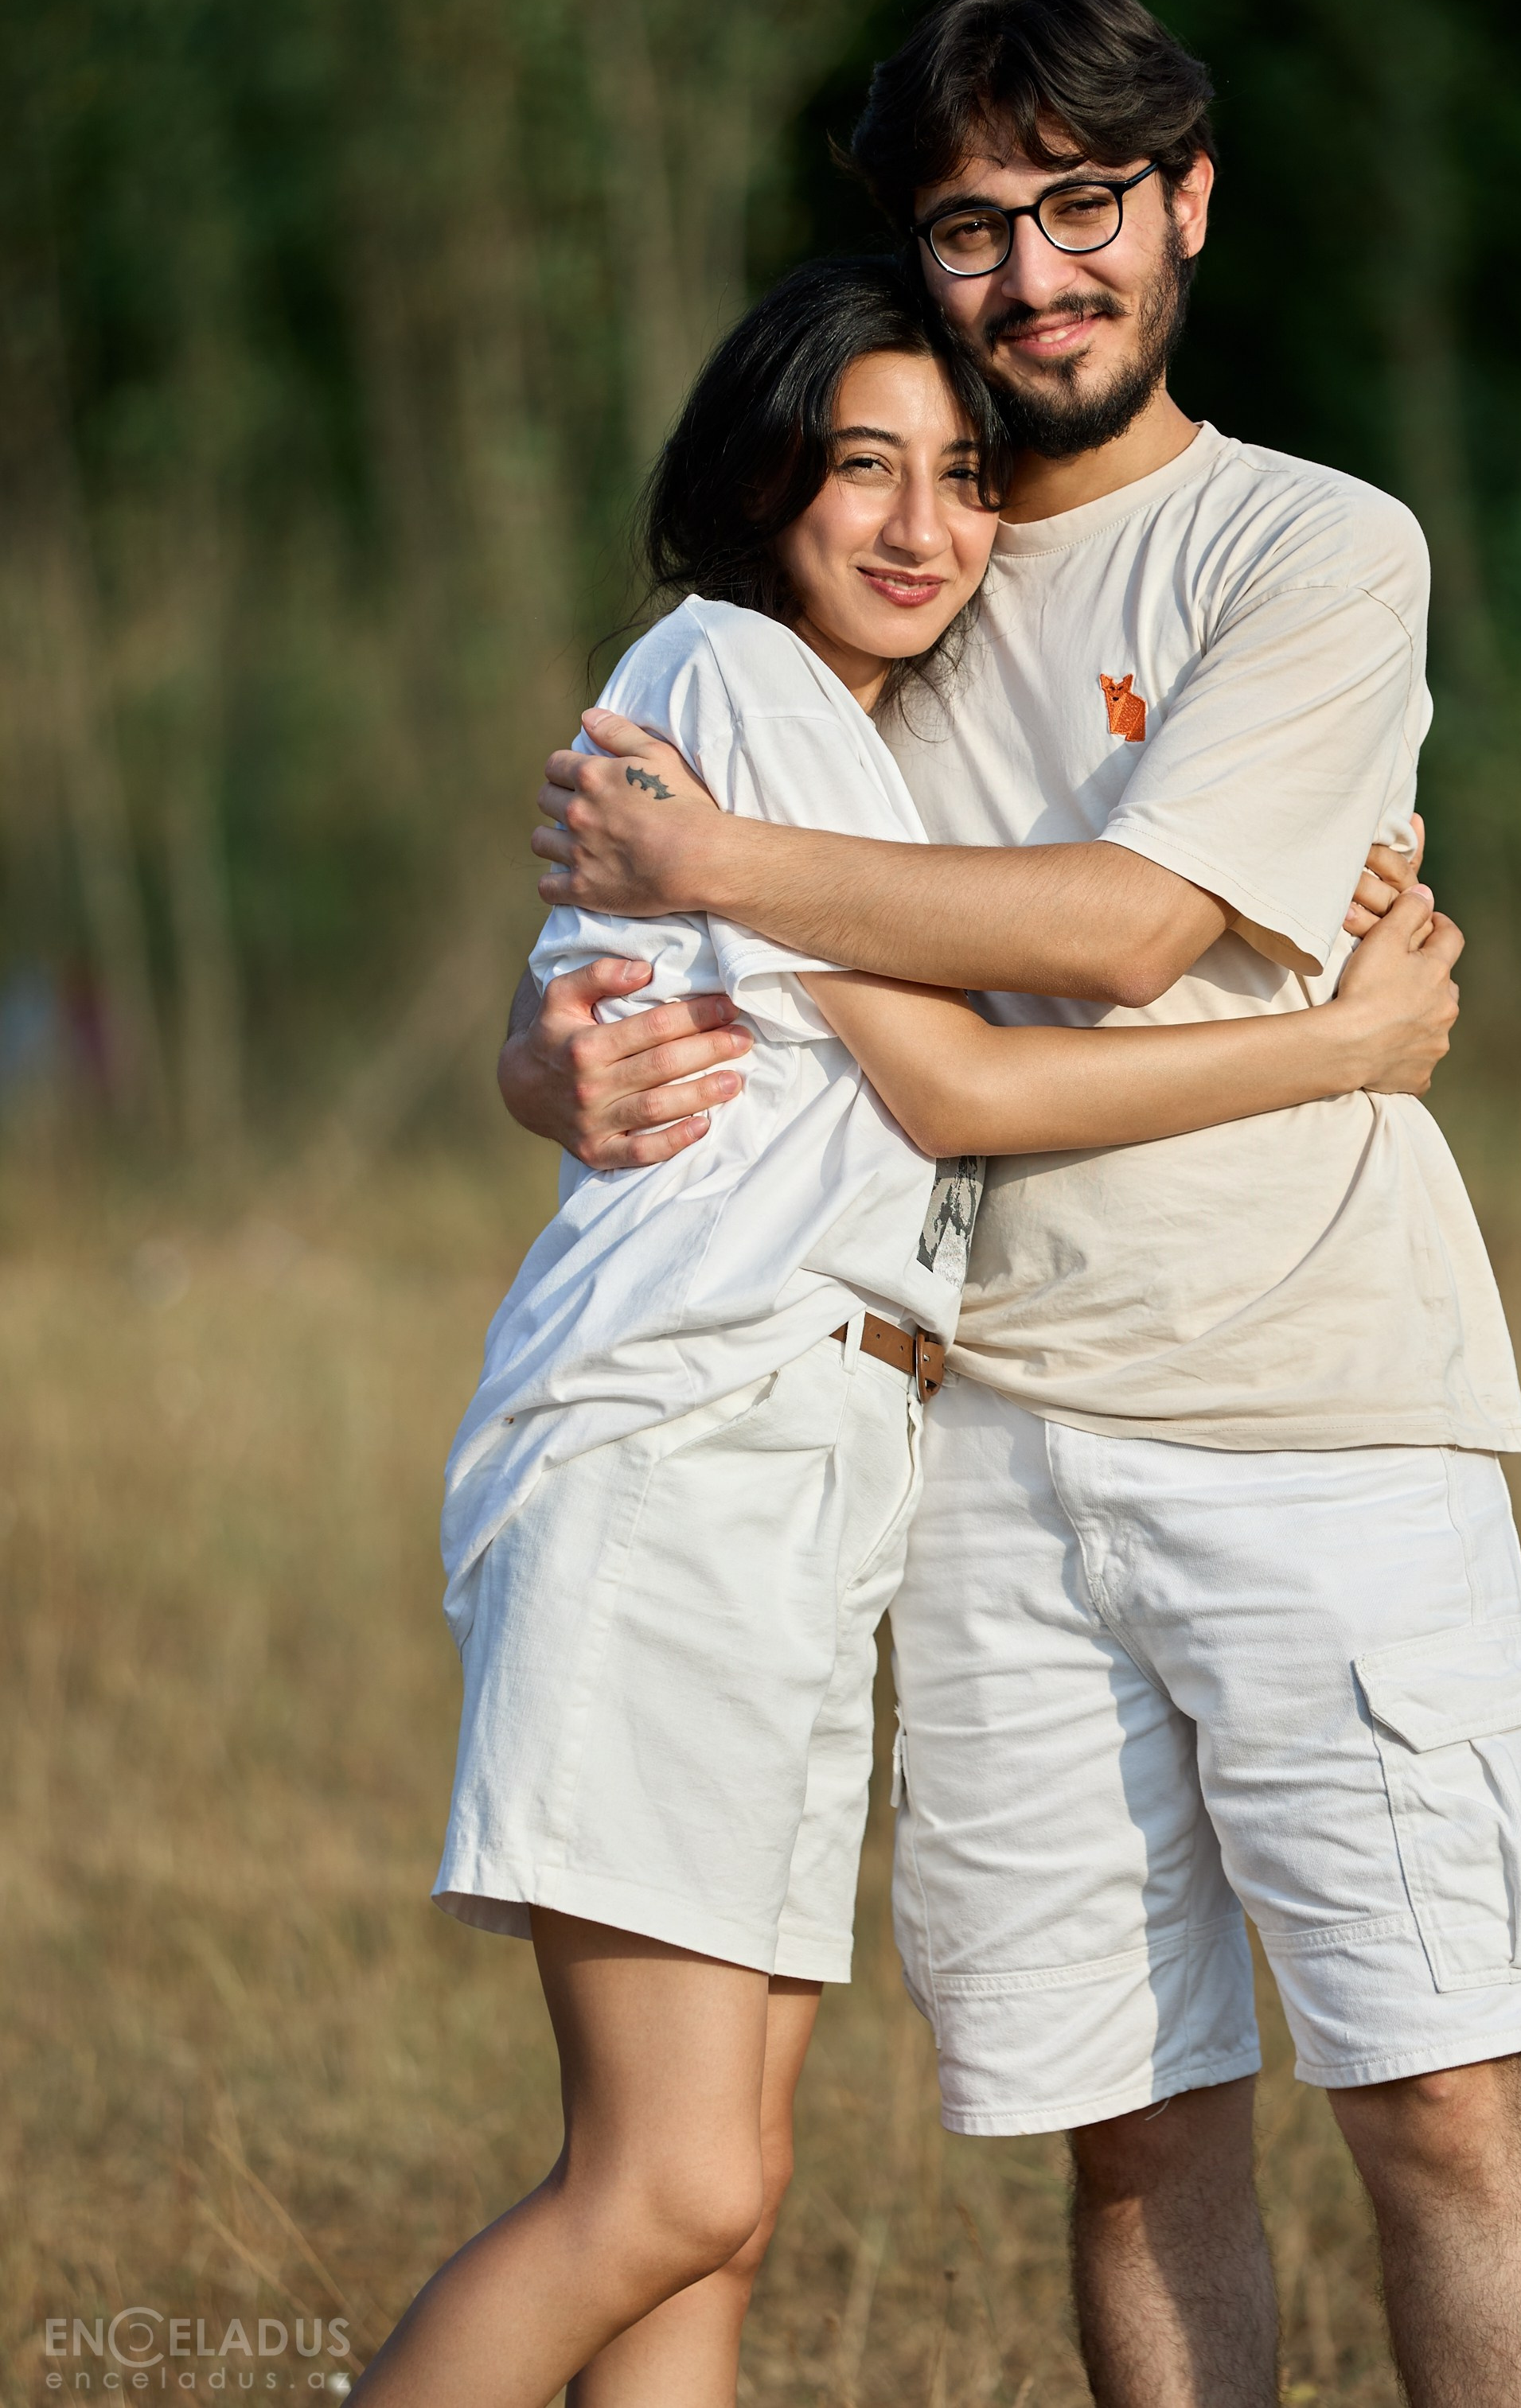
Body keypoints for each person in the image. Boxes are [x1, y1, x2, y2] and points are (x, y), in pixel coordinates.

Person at [501, 0, 1521, 2408]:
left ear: (1186, 203)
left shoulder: (1310, 545)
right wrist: (550, 1059)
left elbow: (1121, 929)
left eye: (1084, 202)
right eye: (973, 224)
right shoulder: (882, 578)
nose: (1035, 273)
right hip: (976, 1455)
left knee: (1433, 2098)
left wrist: (732, 860)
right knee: (1130, 2141)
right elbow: (626, 925)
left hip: (1315, 1410)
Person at [353, 254, 1462, 2408]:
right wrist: (1339, 1046)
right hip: (687, 1440)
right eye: (861, 467)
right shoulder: (740, 684)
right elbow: (962, 1082)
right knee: (662, 2191)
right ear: (760, 477)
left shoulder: (839, 746)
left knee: (713, 2215)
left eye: (963, 476)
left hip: (812, 1468)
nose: (919, 524)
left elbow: (968, 976)